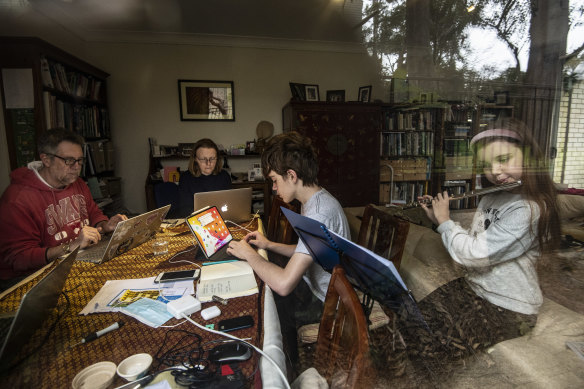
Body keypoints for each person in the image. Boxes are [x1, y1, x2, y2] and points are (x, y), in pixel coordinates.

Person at [379, 119, 561, 385]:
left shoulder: (530, 209)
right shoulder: (490, 198)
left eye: (504, 159)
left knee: (431, 352)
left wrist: (445, 223)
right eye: (488, 164)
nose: (496, 171)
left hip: (508, 306)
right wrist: (436, 218)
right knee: (407, 319)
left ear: (529, 157)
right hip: (475, 288)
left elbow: (473, 254)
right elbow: (477, 241)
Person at [226, 131, 350, 365]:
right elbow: (309, 251)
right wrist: (268, 245)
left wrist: (250, 255)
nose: (273, 188)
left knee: (261, 306)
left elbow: (284, 284)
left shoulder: (318, 213)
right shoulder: (314, 200)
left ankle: (287, 367)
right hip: (314, 287)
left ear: (291, 175)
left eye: (274, 180)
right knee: (261, 286)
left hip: (323, 302)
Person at [0, 128, 127, 290]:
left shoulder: (77, 183)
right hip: (29, 278)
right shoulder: (17, 199)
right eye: (68, 160)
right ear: (46, 159)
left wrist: (105, 225)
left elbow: (94, 213)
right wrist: (70, 247)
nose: (76, 167)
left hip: (74, 261)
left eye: (80, 161)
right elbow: (19, 259)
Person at [176, 138, 231, 217]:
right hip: (197, 222)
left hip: (221, 218)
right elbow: (185, 211)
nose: (208, 163)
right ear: (195, 159)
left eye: (212, 158)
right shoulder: (185, 178)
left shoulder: (224, 176)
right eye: (203, 159)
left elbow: (229, 205)